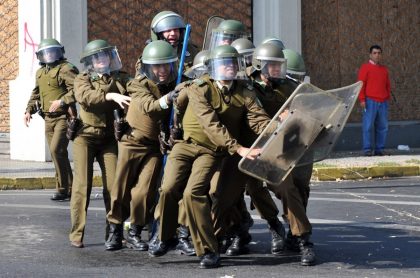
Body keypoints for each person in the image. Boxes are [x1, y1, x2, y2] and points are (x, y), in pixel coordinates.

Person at [149, 45, 272, 269]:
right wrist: (238, 148)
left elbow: (257, 118)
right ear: (213, 67)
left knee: (193, 193)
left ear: (238, 66)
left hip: (210, 151)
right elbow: (210, 123)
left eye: (231, 63)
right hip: (184, 146)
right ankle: (166, 237)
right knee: (167, 189)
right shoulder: (199, 88)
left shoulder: (244, 91)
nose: (227, 67)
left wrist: (276, 128)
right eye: (222, 63)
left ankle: (208, 250)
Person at [105, 40, 179, 251]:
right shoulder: (137, 84)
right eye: (157, 66)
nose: (162, 70)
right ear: (148, 67)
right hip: (132, 141)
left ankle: (135, 231)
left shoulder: (176, 83)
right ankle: (115, 229)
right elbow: (151, 107)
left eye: (166, 65)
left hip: (156, 146)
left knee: (144, 191)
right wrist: (169, 98)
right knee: (121, 188)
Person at [69, 39, 131, 248]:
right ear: (90, 61)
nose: (101, 60)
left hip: (109, 138)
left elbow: (135, 90)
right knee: (82, 186)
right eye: (96, 57)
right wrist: (111, 95)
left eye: (104, 56)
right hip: (85, 136)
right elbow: (86, 97)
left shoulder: (120, 78)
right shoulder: (82, 79)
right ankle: (77, 233)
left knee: (114, 186)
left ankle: (114, 232)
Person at [24, 38, 78, 201]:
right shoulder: (40, 72)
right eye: (46, 53)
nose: (49, 56)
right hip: (47, 118)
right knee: (58, 153)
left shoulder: (66, 69)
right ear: (40, 56)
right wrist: (28, 110)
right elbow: (36, 93)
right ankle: (69, 187)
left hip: (64, 117)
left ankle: (63, 189)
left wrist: (62, 101)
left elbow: (79, 89)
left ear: (60, 52)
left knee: (56, 150)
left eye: (53, 52)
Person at [135, 11, 199, 75]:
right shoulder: (150, 54)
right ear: (158, 33)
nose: (173, 33)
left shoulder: (191, 50)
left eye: (176, 30)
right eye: (168, 30)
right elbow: (141, 82)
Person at [358, 45, 391, 156]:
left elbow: (387, 85)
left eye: (379, 53)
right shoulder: (365, 68)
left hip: (383, 102)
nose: (377, 55)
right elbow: (361, 85)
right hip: (370, 101)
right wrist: (362, 100)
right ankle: (367, 149)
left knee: (383, 127)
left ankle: (379, 149)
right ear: (370, 55)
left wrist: (387, 98)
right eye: (375, 53)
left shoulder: (384, 69)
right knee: (367, 126)